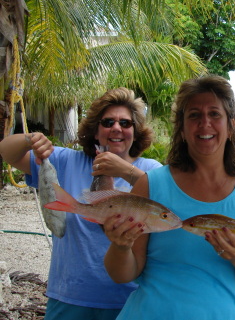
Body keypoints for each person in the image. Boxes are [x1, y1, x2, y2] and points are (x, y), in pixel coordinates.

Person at [103, 75, 235, 320]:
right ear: (182, 130)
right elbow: (122, 275)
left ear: (232, 126)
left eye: (215, 114)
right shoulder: (151, 183)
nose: (204, 123)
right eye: (194, 115)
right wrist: (121, 245)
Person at [0, 87, 162, 320]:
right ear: (96, 131)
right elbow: (8, 152)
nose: (117, 128)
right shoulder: (66, 161)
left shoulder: (150, 170)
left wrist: (125, 171)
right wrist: (30, 139)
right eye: (108, 122)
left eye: (126, 123)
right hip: (69, 296)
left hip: (129, 300)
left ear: (135, 133)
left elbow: (166, 200)